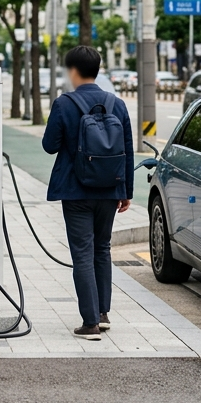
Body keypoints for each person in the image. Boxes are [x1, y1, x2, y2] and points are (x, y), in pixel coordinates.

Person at [41, 45, 133, 341]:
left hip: (75, 189)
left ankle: (90, 322)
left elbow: (49, 145)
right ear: (98, 69)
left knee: (82, 253)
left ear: (73, 71)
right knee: (102, 249)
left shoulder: (64, 103)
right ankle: (103, 313)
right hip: (109, 188)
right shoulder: (116, 103)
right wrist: (126, 191)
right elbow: (127, 150)